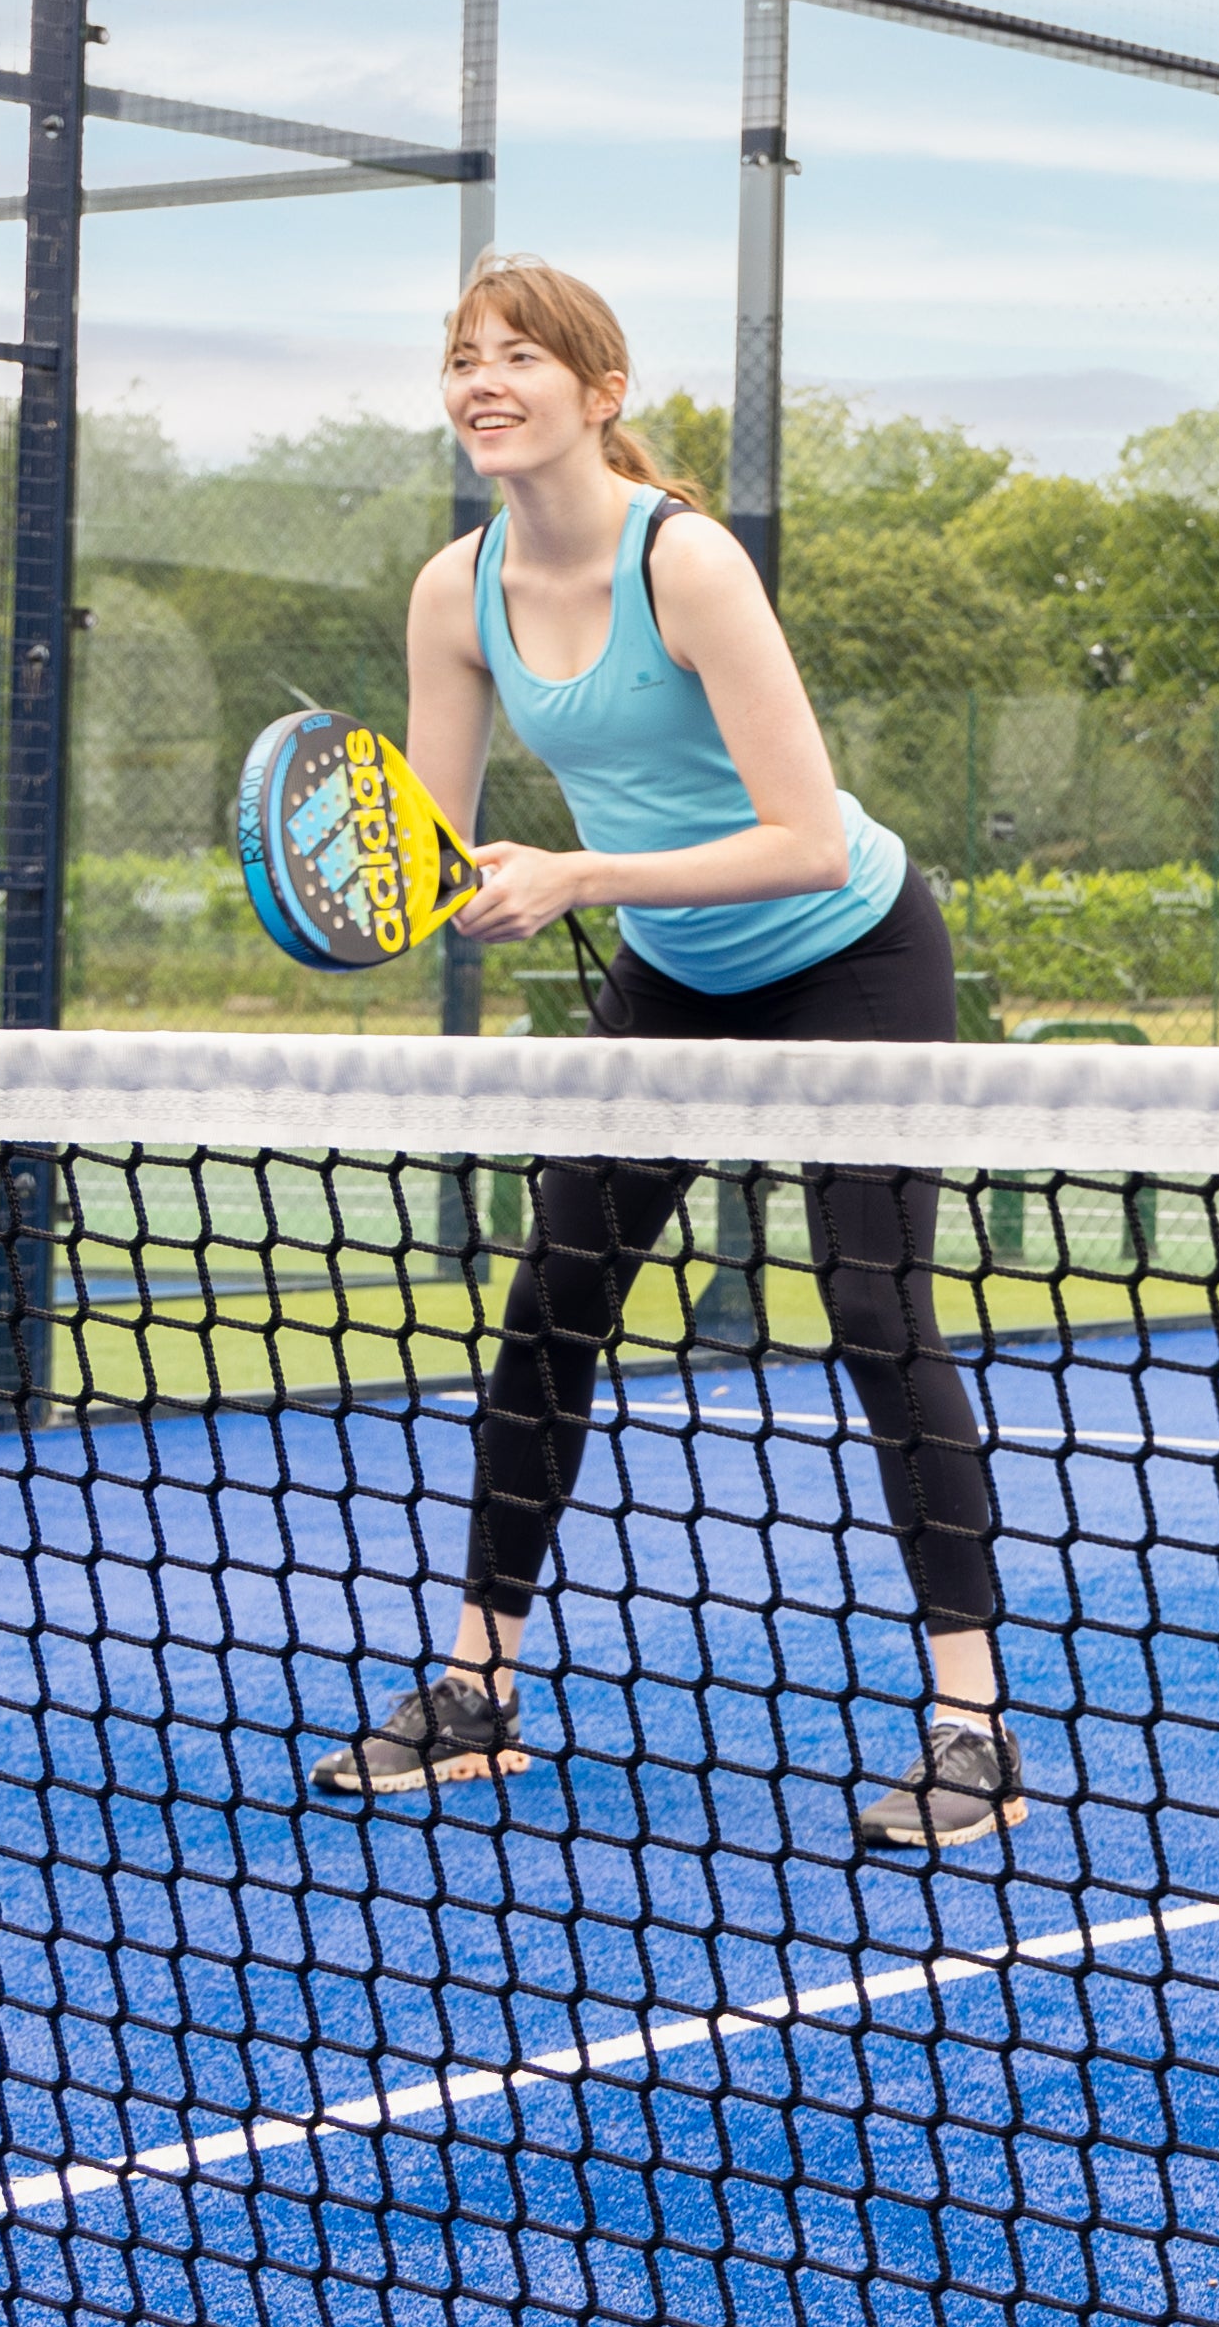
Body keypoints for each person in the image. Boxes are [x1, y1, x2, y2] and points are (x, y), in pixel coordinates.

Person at [307, 257, 1028, 1861]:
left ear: (601, 391)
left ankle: (973, 1728)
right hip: (674, 974)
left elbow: (800, 836)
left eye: (520, 359)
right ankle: (477, 1696)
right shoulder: (456, 590)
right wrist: (432, 888)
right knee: (554, 1300)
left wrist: (578, 876)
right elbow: (429, 845)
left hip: (850, 954)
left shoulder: (688, 565)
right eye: (461, 360)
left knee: (870, 1306)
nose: (483, 382)